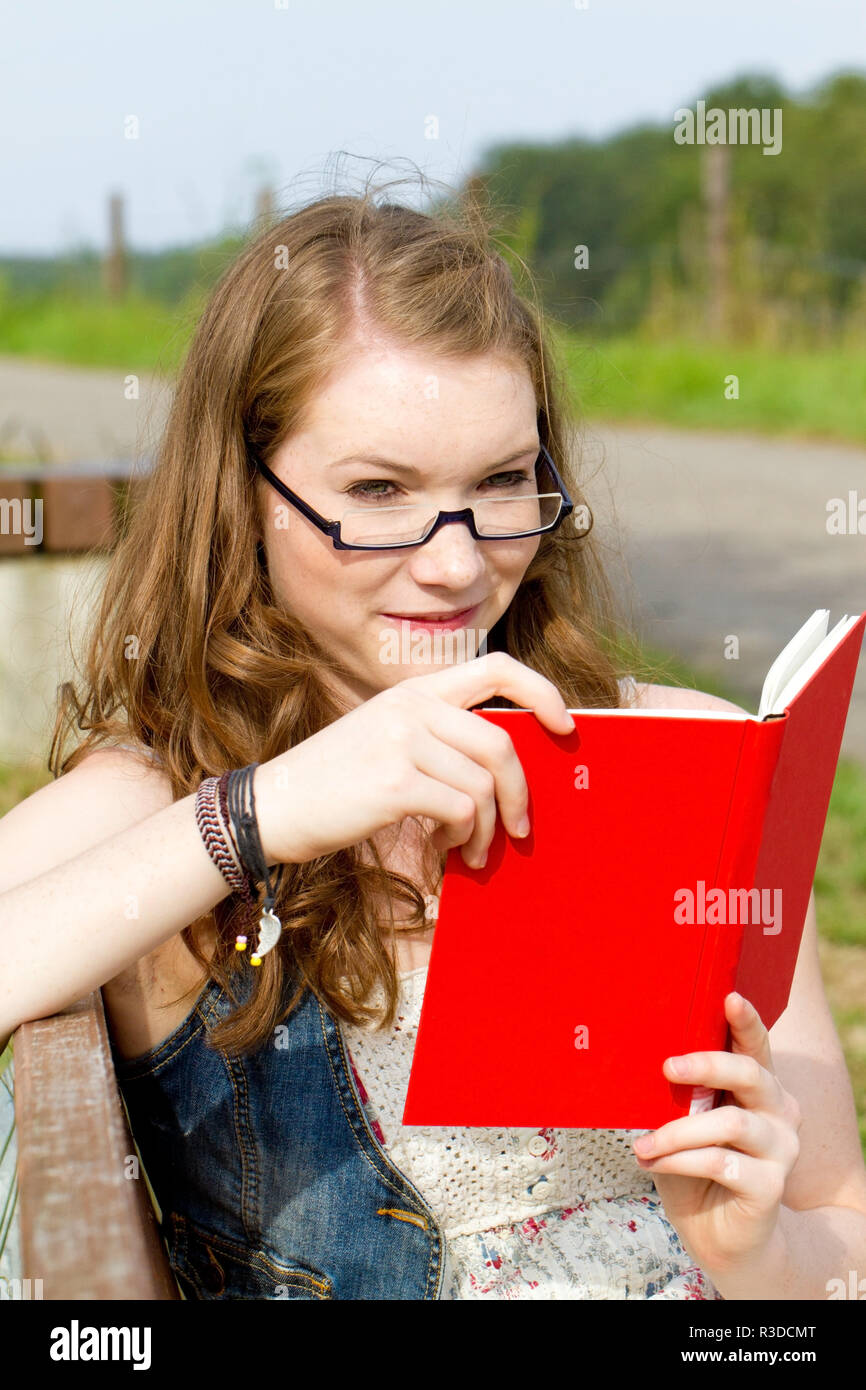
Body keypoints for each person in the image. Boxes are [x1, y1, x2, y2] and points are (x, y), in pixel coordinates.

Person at [1, 174, 865, 1301]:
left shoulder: (689, 759)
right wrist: (267, 810)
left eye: (503, 481)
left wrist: (763, 1255)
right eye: (377, 490)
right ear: (239, 491)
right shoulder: (166, 793)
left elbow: (832, 1229)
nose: (456, 563)